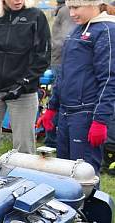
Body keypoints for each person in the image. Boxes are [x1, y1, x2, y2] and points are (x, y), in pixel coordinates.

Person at [40, 1, 115, 174]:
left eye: (76, 7)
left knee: (83, 175)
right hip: (66, 112)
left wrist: (100, 120)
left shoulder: (107, 31)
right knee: (64, 172)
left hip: (86, 114)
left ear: (93, 5)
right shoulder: (78, 29)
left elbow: (109, 79)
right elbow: (64, 73)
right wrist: (52, 108)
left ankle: (88, 202)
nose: (71, 13)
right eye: (70, 7)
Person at [0, 0, 51, 159]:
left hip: (23, 90)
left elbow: (43, 57)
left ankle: (24, 182)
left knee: (24, 148)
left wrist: (25, 83)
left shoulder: (36, 16)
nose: (18, 0)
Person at [43, 0, 76, 148]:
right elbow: (68, 38)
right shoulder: (67, 11)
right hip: (63, 62)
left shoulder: (63, 10)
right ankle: (51, 141)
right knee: (60, 101)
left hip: (61, 60)